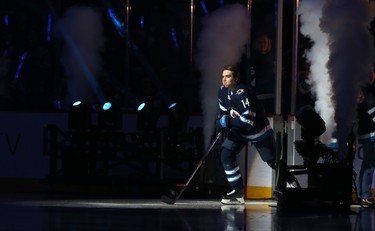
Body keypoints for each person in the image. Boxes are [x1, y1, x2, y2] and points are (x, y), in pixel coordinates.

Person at [215, 65, 297, 205]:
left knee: (273, 161)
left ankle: (291, 183)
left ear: (236, 78)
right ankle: (238, 193)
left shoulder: (243, 92)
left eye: (228, 76)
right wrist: (222, 121)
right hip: (239, 131)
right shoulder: (222, 91)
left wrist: (227, 122)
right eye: (223, 76)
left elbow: (247, 122)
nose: (224, 79)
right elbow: (223, 112)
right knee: (226, 155)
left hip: (259, 131)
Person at [356, 73, 375, 206]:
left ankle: (362, 193)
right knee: (370, 164)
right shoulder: (368, 90)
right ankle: (365, 195)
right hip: (371, 133)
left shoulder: (361, 90)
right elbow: (372, 110)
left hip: (366, 132)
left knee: (367, 164)